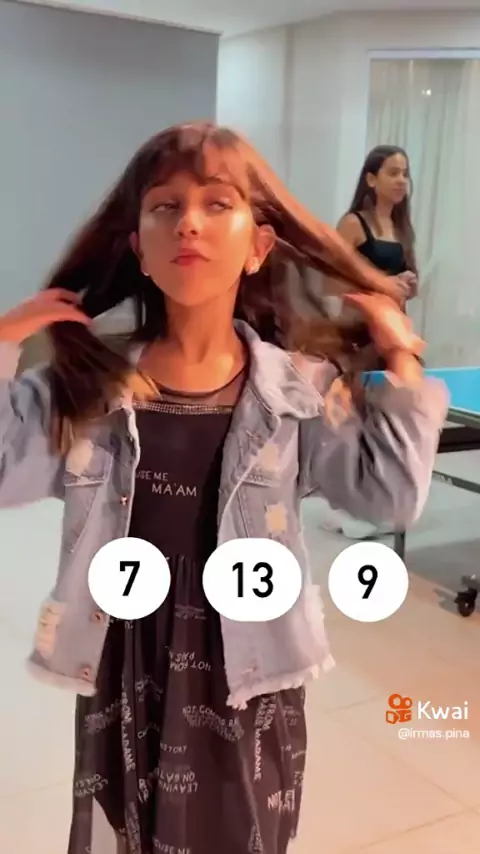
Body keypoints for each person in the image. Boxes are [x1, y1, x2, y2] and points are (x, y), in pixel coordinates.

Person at [0, 124, 447, 854]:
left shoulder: (300, 391)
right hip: (127, 659)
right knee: (132, 828)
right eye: (165, 206)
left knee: (241, 832)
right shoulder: (90, 389)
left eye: (217, 203)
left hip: (249, 668)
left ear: (258, 244)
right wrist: (4, 340)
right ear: (138, 248)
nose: (190, 223)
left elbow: (390, 495)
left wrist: (400, 356)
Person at [320, 144, 420, 539]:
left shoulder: (401, 229)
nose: (401, 181)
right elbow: (329, 282)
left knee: (390, 424)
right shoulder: (353, 224)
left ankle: (378, 505)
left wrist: (405, 287)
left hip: (393, 337)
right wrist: (382, 286)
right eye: (393, 172)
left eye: (405, 173)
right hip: (358, 335)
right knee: (356, 425)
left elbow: (402, 287)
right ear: (372, 179)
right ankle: (349, 508)